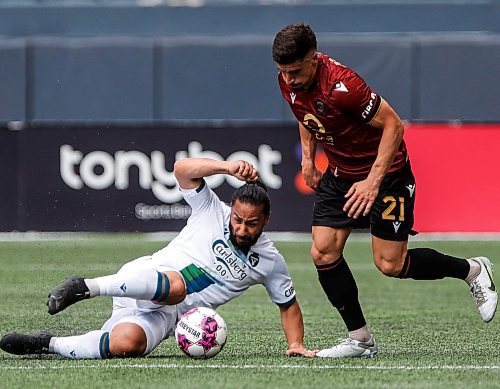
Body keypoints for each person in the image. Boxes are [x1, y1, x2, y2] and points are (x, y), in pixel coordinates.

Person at [272, 23, 497, 358]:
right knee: (323, 251)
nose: (288, 79)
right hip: (340, 173)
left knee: (391, 264)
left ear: (314, 59)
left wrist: (373, 181)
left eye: (294, 71)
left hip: (387, 174)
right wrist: (308, 159)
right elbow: (305, 117)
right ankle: (360, 339)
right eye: (282, 72)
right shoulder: (288, 83)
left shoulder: (343, 85)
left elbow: (394, 124)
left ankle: (473, 270)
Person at [0, 158, 316, 359]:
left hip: (167, 316)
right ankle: (85, 286)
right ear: (230, 210)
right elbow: (181, 169)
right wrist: (226, 168)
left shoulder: (270, 261)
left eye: (251, 223)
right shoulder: (210, 209)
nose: (242, 228)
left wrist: (295, 344)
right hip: (146, 279)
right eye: (237, 219)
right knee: (178, 287)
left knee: (127, 344)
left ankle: (46, 344)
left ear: (266, 221)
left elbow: (288, 305)